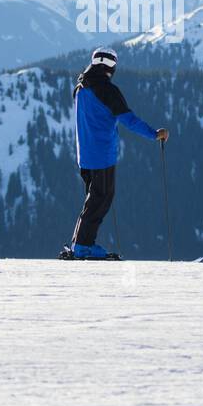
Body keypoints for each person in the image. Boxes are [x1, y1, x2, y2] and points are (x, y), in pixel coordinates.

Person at [67, 47, 168, 259]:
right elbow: (128, 119)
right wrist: (154, 134)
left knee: (93, 200)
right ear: (112, 65)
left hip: (84, 156)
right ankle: (82, 246)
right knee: (101, 200)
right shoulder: (107, 90)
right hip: (102, 154)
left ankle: (80, 243)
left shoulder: (80, 87)